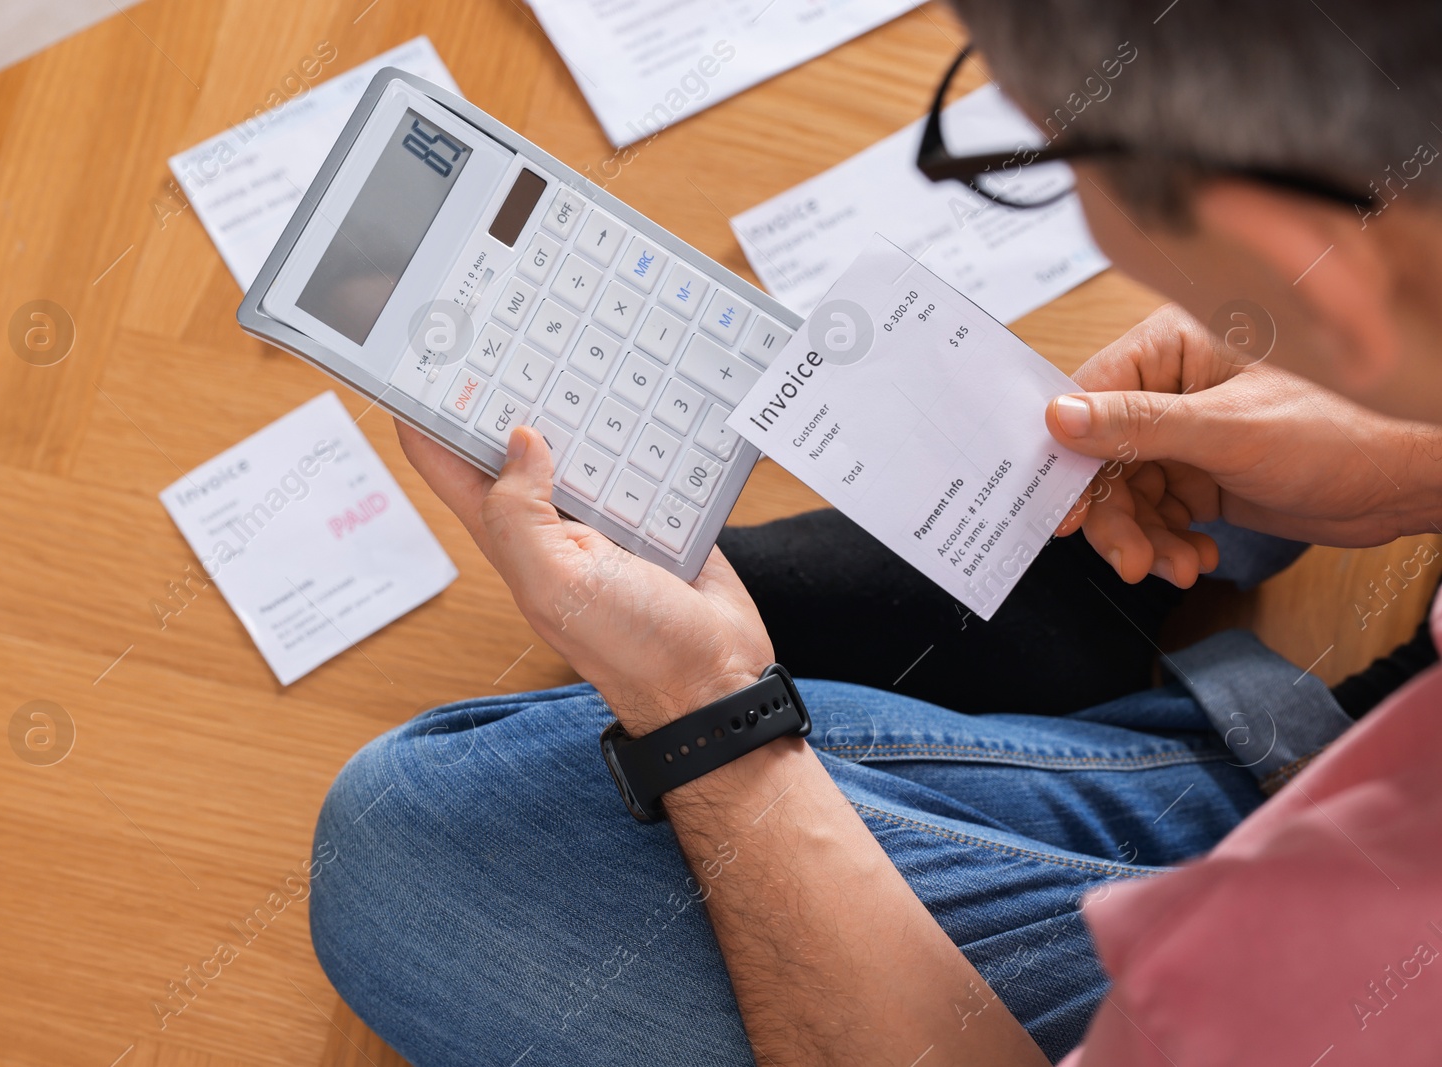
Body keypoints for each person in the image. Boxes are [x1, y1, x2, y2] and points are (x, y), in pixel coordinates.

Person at [309, 0, 1442, 1062]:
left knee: (409, 862)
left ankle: (1133, 664)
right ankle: (1089, 592)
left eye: (1040, 149)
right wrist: (1401, 454)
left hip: (1340, 896)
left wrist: (709, 719)